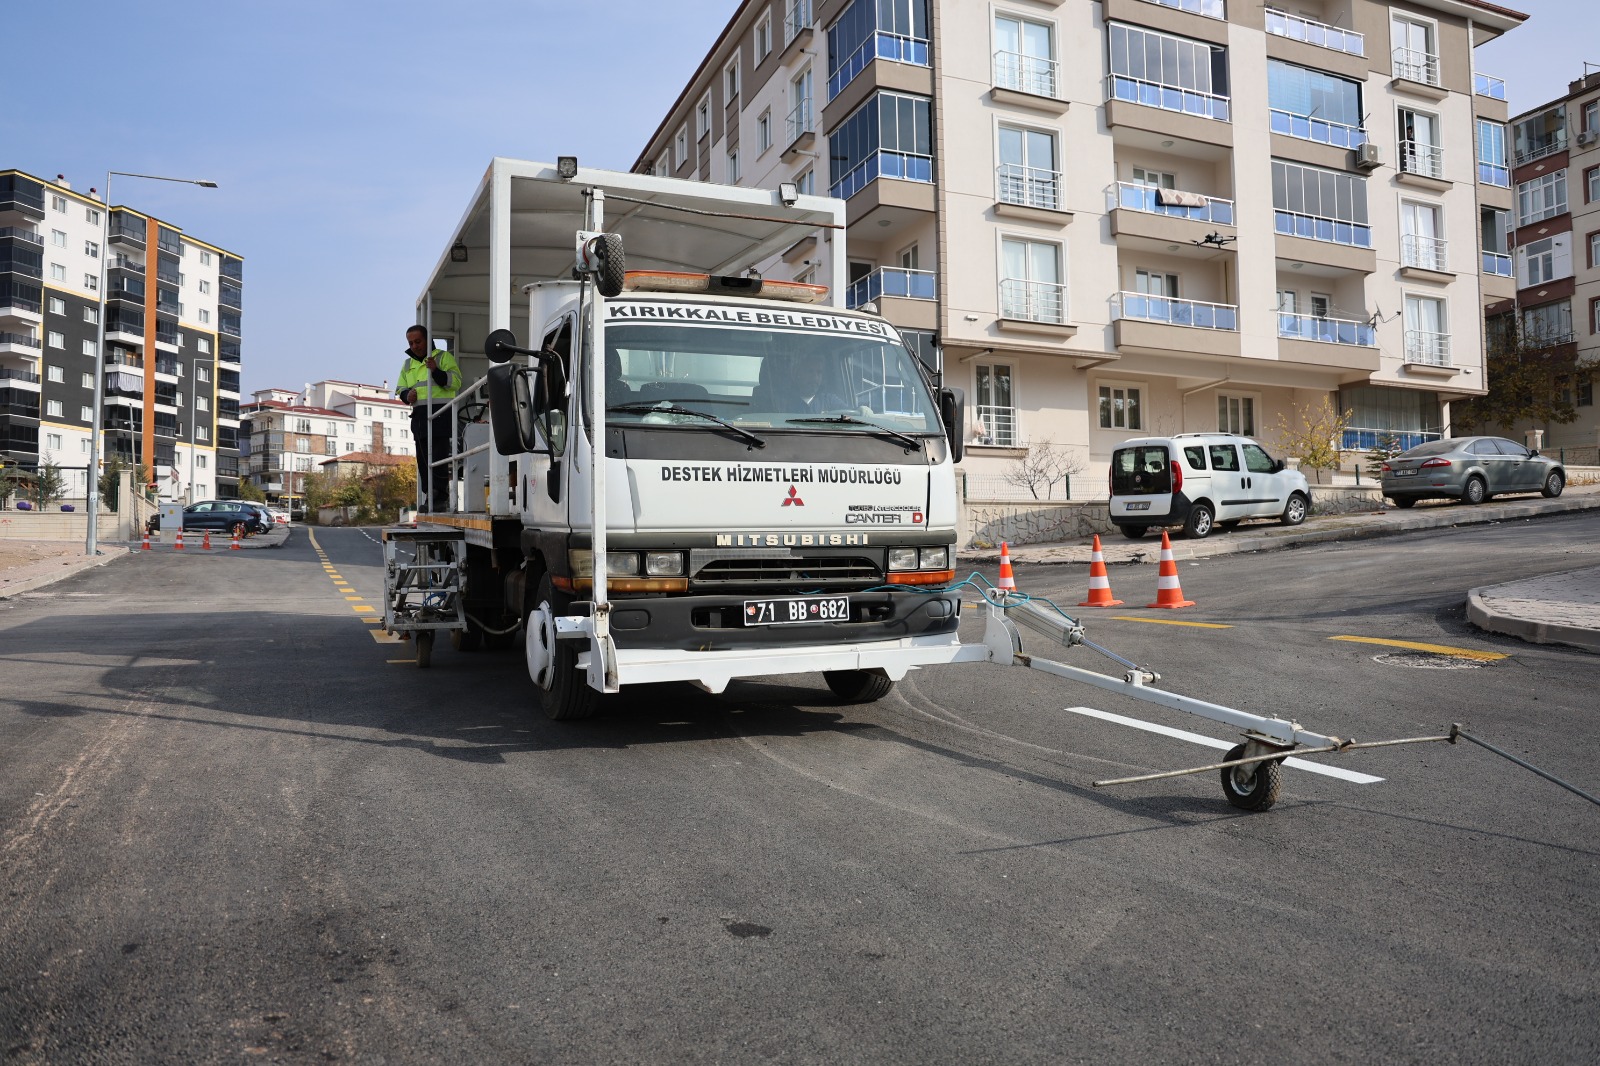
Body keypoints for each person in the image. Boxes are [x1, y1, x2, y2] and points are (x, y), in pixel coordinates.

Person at [396, 325, 462, 510]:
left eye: (418, 341)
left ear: (427, 339)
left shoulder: (442, 357)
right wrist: (407, 395)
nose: (414, 346)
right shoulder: (408, 364)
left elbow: (456, 382)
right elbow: (400, 389)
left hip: (440, 414)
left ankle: (441, 498)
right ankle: (430, 497)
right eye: (411, 342)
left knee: (439, 457)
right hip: (419, 417)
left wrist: (436, 370)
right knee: (423, 460)